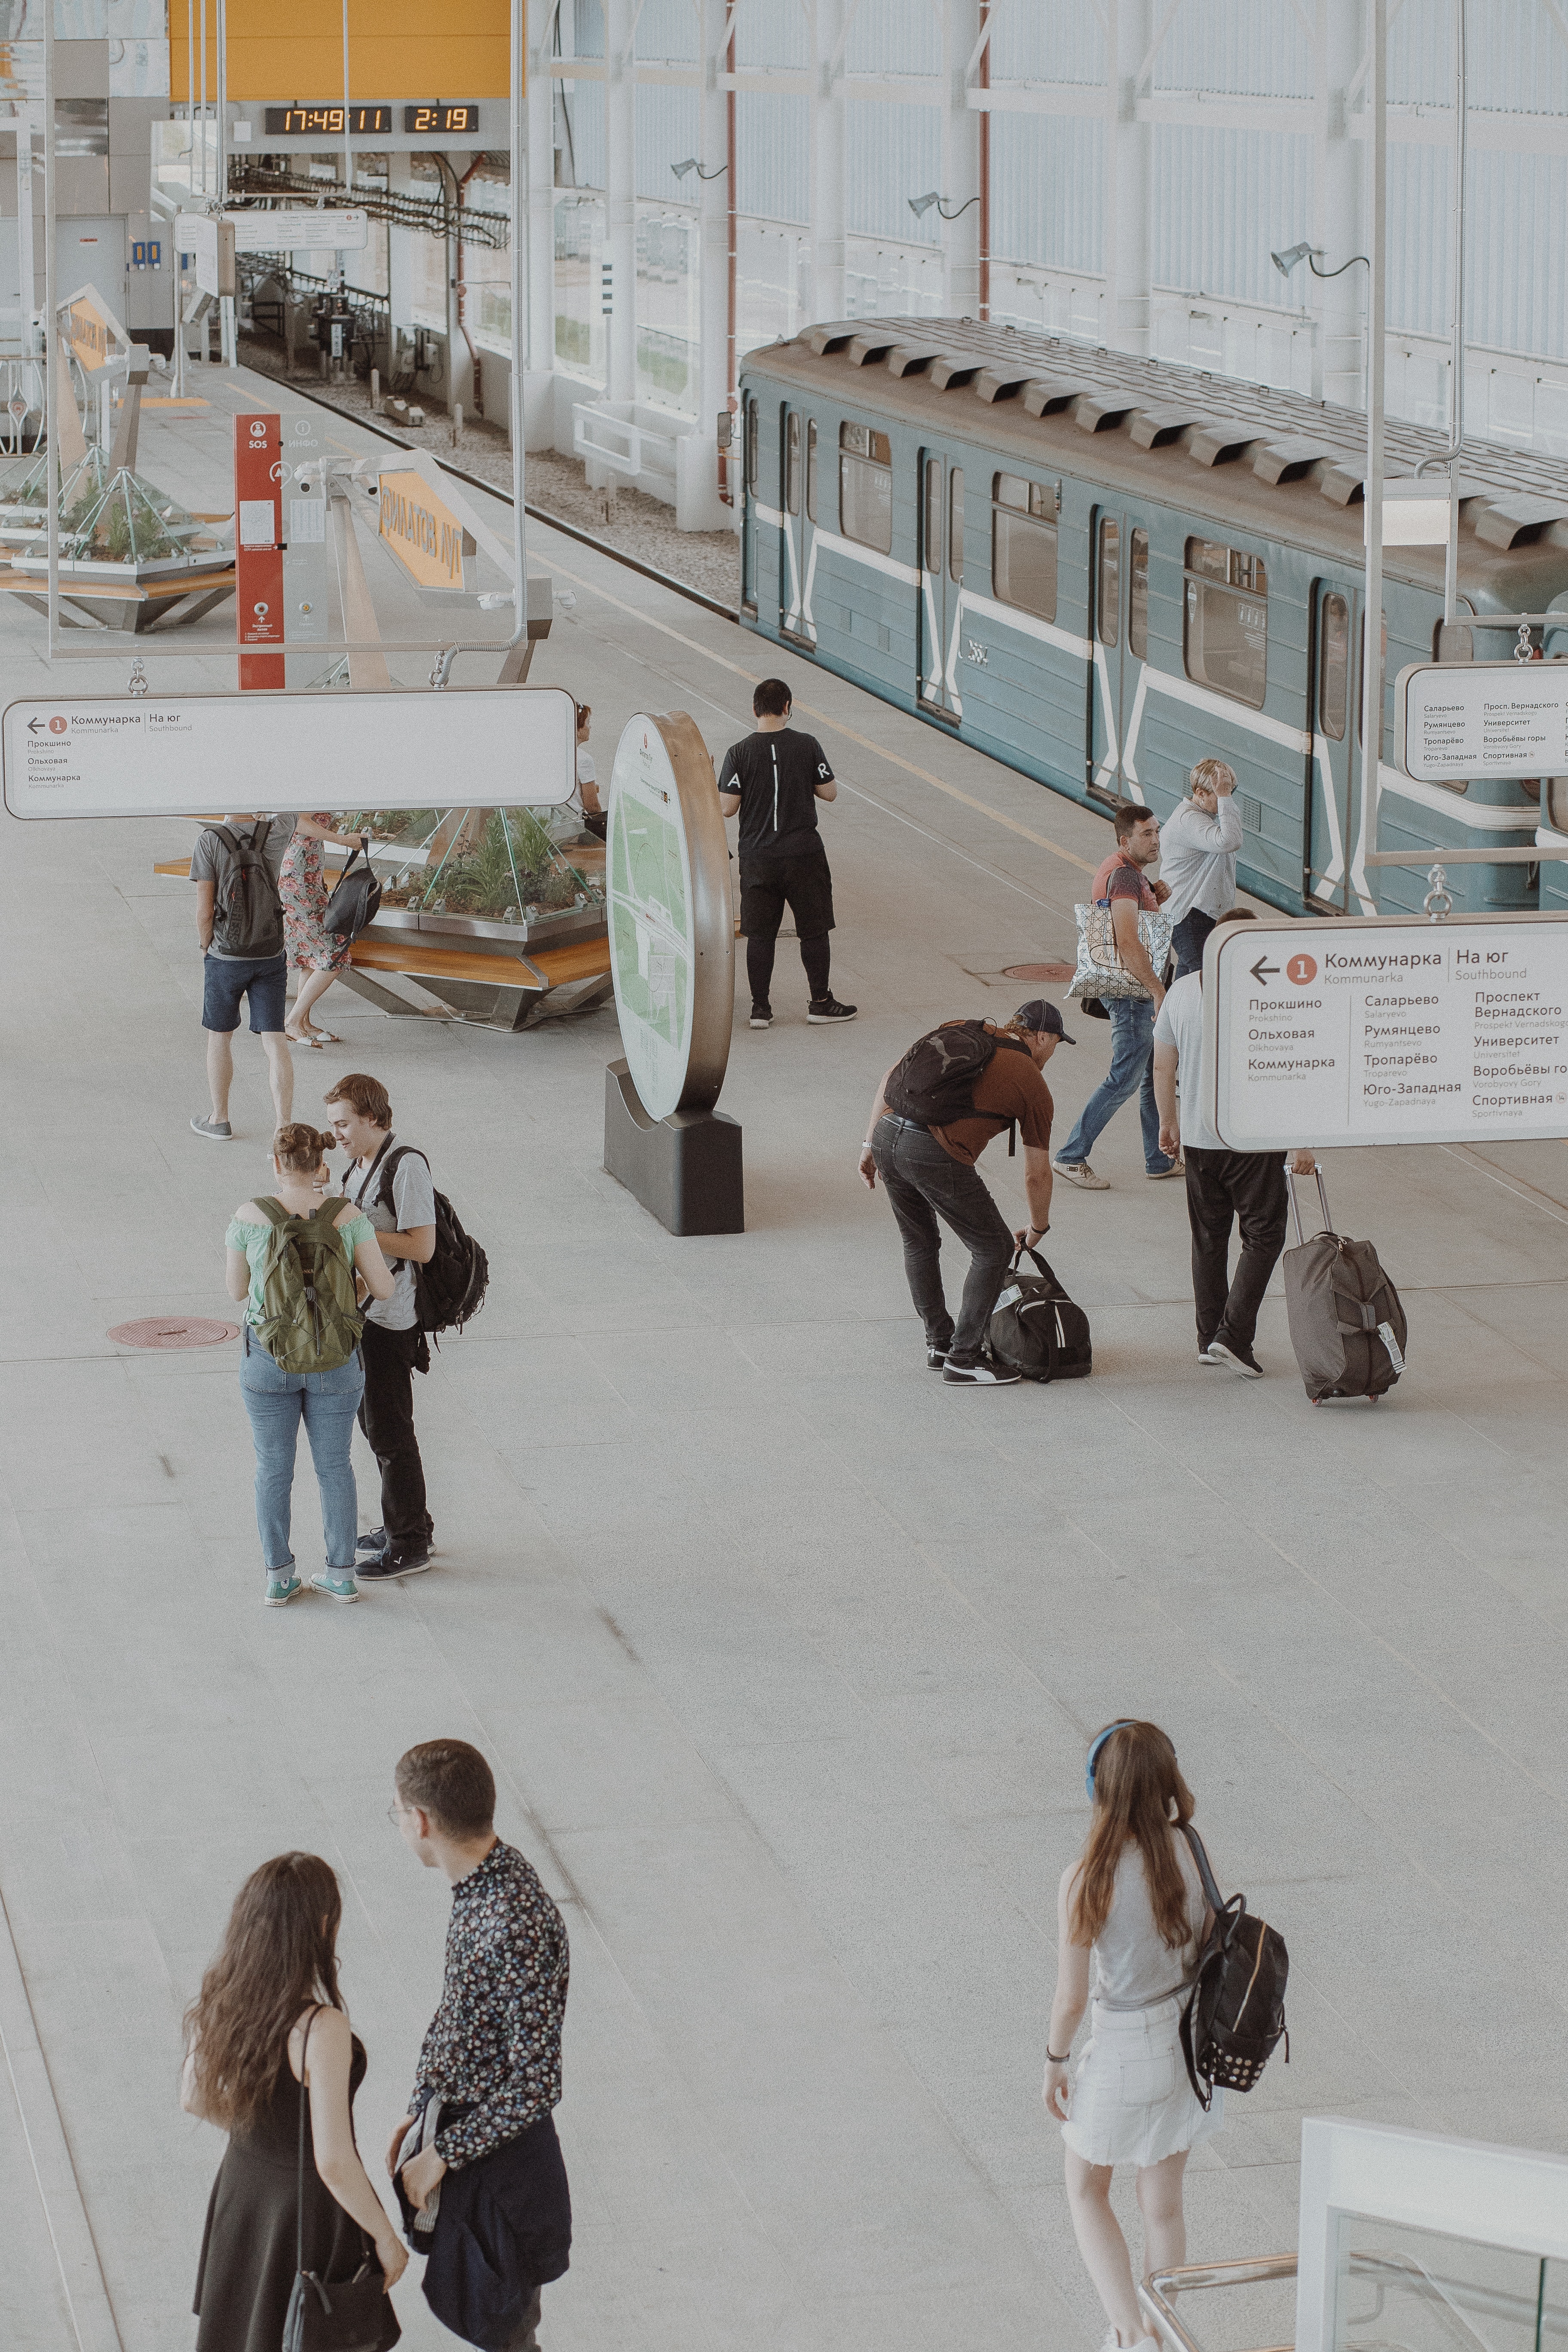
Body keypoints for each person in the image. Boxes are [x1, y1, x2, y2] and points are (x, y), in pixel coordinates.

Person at [1042, 1721, 1222, 2352]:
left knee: (1087, 2188)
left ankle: (1127, 2333)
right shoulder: (1190, 1851)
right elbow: (1207, 1950)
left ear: (1098, 1787)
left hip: (1121, 2054)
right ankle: (1165, 2332)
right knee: (1163, 2202)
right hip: (1184, 2049)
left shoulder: (1086, 1876)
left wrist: (1055, 2062)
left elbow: (1070, 1998)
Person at [387, 1740, 572, 2352]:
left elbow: (538, 2083)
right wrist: (422, 2108)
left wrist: (444, 2154)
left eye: (397, 1813)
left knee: (506, 2332)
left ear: (420, 1821)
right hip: (468, 2137)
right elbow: (460, 2013)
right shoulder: (482, 1882)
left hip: (502, 2170)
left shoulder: (509, 1919)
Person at [184, 1850, 408, 2352]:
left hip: (242, 2195)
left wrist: (260, 2137)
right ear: (322, 1924)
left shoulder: (221, 1995)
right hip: (306, 2213)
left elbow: (193, 2099)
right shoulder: (320, 2029)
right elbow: (332, 2160)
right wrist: (386, 2240)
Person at [225, 1122, 394, 1605]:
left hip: (267, 1357)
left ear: (277, 1164)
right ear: (322, 1167)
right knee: (335, 1468)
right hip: (337, 1359)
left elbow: (237, 1291)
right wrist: (347, 1297)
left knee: (273, 1470)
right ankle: (341, 1574)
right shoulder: (348, 1215)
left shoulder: (249, 1215)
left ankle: (280, 1576)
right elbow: (384, 1288)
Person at [858, 999, 1069, 1384]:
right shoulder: (1031, 1080)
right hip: (933, 1151)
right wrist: (1039, 1227)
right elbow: (1037, 1174)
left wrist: (870, 1145)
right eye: (1056, 1042)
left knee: (918, 1242)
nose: (1053, 1052)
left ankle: (939, 1343)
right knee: (994, 1248)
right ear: (1041, 1036)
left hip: (889, 1134)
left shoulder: (962, 1028)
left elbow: (891, 1076)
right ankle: (964, 1358)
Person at [1152, 910, 1315, 1377]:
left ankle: (1209, 1339)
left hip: (1201, 1138)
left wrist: (1169, 1121)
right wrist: (1302, 1139)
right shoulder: (1266, 995)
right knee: (1264, 1236)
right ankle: (1234, 1336)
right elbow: (1292, 1073)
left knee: (1209, 1238)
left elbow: (1164, 1067)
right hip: (1251, 1139)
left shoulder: (1181, 992)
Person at [325, 1073, 439, 1580]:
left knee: (390, 1432)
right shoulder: (360, 1164)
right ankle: (408, 1523)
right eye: (334, 1125)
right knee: (373, 1427)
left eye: (344, 1123)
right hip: (363, 1313)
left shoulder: (406, 1165)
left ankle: (409, 1543)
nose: (337, 1134)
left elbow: (421, 1246)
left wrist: (358, 1229)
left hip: (391, 1320)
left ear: (372, 1116)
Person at [717, 677, 857, 1029]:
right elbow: (829, 793)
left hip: (758, 857)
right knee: (814, 929)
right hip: (804, 855)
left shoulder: (738, 752)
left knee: (760, 934)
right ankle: (820, 1003)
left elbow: (727, 807)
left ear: (754, 709)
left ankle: (761, 1009)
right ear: (788, 708)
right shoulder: (808, 745)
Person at [1054, 804, 1179, 1190]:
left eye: (1158, 832)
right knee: (1124, 1077)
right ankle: (1071, 1156)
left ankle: (1158, 1159)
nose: (1157, 840)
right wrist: (1159, 992)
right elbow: (1126, 941)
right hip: (1132, 994)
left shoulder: (1128, 874)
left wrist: (1155, 897)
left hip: (1132, 991)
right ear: (1126, 840)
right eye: (1147, 834)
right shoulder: (1125, 877)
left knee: (1145, 1076)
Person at [189, 812, 296, 1141]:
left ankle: (220, 1120)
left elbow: (206, 911)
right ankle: (283, 1128)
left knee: (220, 1037)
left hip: (226, 954)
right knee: (275, 1039)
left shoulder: (210, 840)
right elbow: (294, 808)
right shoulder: (277, 832)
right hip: (270, 952)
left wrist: (206, 946)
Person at [282, 813, 374, 1047]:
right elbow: (299, 821)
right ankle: (292, 1022)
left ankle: (304, 1022)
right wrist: (343, 840)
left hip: (305, 875)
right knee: (336, 953)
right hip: (299, 879)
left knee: (314, 954)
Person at [1157, 760, 1244, 980]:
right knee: (1204, 982)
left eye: (1231, 792)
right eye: (1221, 794)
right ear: (1200, 793)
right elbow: (1230, 841)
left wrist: (1223, 797)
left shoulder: (1201, 817)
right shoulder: (1189, 820)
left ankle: (1172, 1014)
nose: (1227, 799)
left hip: (1197, 915)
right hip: (1191, 917)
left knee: (1188, 983)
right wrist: (1224, 797)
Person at [573, 702, 606, 840]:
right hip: (574, 827)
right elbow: (592, 806)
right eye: (588, 723)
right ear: (578, 730)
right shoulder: (584, 760)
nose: (590, 727)